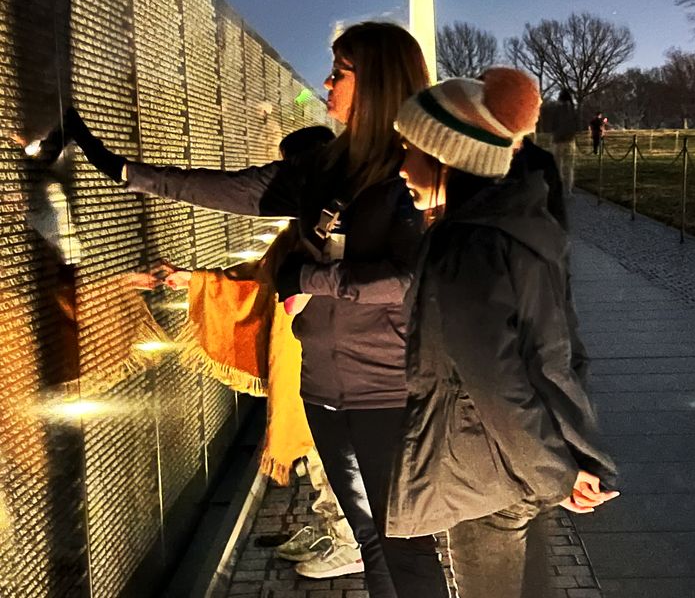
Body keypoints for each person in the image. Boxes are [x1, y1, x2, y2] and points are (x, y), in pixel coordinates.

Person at [64, 22, 448, 598]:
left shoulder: (416, 169)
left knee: (405, 544)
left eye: (340, 73)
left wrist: (309, 277)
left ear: (376, 82)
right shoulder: (322, 166)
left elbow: (409, 277)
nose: (326, 83)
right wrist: (117, 167)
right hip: (321, 388)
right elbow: (227, 188)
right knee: (369, 537)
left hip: (388, 392)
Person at [388, 67, 619, 597]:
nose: (401, 167)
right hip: (525, 461)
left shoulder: (465, 248)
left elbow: (494, 381)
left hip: (486, 465)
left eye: (411, 151)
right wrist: (568, 460)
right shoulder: (528, 226)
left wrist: (555, 475)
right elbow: (562, 351)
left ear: (449, 156)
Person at [159, 126, 362, 577]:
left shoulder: (337, 227)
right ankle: (333, 524)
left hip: (327, 360)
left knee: (330, 449)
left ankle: (351, 542)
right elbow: (259, 277)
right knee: (315, 449)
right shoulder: (299, 229)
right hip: (303, 357)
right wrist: (194, 279)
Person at [551, 88, 578, 195]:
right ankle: (568, 189)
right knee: (569, 166)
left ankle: (558, 187)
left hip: (558, 140)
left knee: (558, 165)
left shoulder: (557, 109)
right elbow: (576, 123)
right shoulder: (572, 109)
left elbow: (553, 124)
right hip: (570, 139)